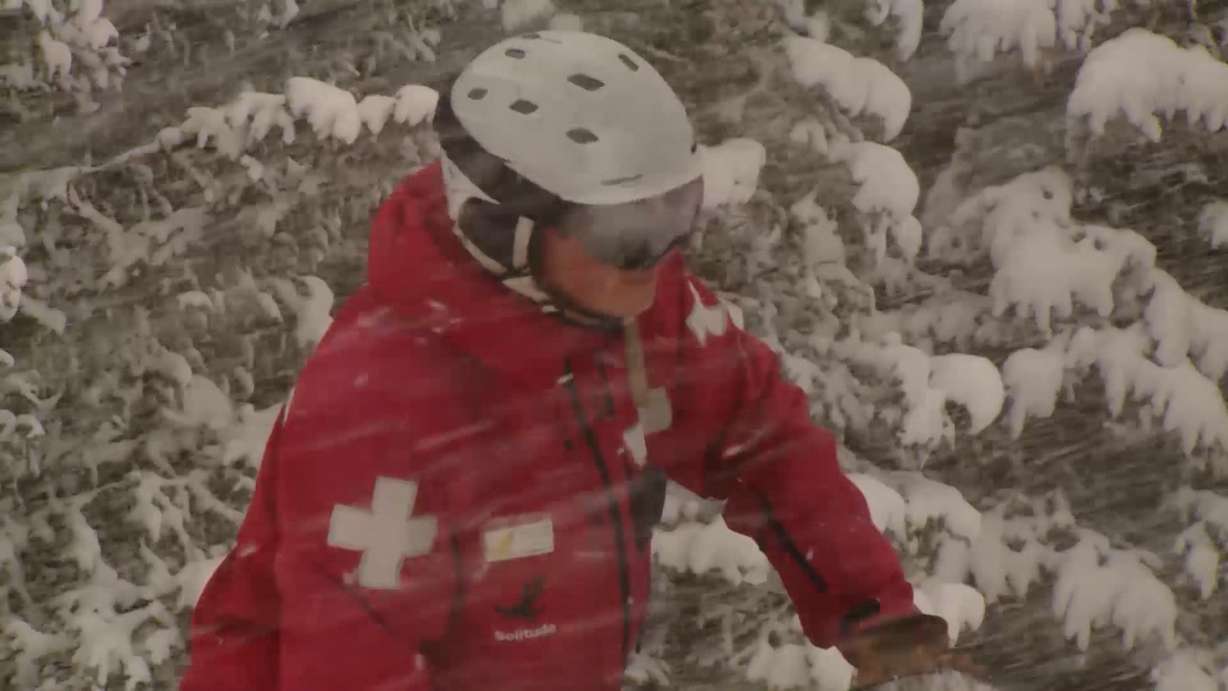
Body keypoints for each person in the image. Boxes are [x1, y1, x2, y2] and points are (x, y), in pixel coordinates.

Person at [179, 30, 948, 691]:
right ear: (501, 230)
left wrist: (866, 601)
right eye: (623, 231)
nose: (657, 257)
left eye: (674, 213)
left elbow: (762, 441)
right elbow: (353, 659)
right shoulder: (383, 403)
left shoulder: (638, 307)